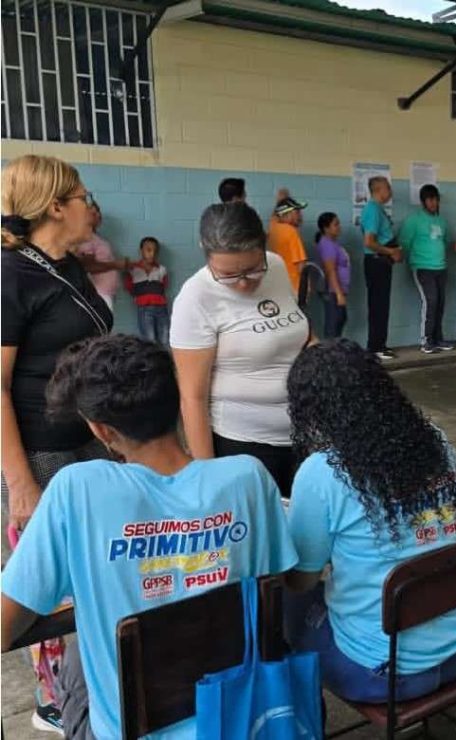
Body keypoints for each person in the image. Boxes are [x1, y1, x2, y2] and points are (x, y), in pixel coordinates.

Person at [1, 334, 297, 740]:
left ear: (102, 430)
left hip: (129, 731)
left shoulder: (78, 489)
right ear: (177, 401)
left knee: (74, 670)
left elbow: (6, 624)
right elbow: (284, 582)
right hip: (245, 717)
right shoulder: (248, 477)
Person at [284, 340, 456, 703]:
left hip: (386, 674)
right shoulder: (436, 441)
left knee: (282, 600)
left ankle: (285, 717)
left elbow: (301, 579)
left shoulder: (321, 474)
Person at [1, 155, 113, 734]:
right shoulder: (10, 274)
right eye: (82, 194)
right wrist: (22, 483)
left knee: (98, 562)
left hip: (88, 436)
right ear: (55, 206)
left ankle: (95, 669)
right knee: (48, 581)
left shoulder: (66, 264)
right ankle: (53, 698)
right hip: (42, 447)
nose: (90, 205)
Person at [170, 202, 308, 496]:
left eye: (253, 270)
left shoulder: (278, 267)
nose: (244, 283)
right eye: (229, 275)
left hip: (306, 433)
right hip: (244, 445)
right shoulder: (195, 298)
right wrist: (207, 476)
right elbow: (192, 397)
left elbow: (299, 332)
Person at [400, 184, 455, 354]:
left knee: (440, 303)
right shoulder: (413, 220)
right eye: (429, 200)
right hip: (422, 268)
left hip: (441, 267)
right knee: (430, 301)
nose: (432, 203)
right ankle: (426, 340)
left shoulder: (442, 221)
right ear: (423, 202)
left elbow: (445, 242)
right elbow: (404, 243)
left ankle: (438, 338)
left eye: (435, 199)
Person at [362, 176, 402, 360]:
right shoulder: (372, 210)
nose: (390, 192)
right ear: (378, 190)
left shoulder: (379, 210)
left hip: (382, 262)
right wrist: (390, 251)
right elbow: (369, 242)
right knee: (378, 305)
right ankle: (375, 346)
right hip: (377, 261)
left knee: (382, 304)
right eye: (388, 188)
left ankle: (380, 344)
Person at [76, 202, 129, 311]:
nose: (99, 215)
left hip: (104, 293)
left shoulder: (95, 237)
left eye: (98, 211)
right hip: (98, 293)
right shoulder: (86, 238)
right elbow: (88, 267)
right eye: (94, 213)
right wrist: (116, 265)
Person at [124, 236, 170, 346]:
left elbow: (164, 285)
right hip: (144, 309)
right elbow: (129, 286)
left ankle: (164, 361)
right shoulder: (133, 269)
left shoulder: (161, 269)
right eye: (148, 250)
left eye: (155, 251)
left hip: (162, 308)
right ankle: (152, 362)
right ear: (141, 251)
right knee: (149, 340)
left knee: (164, 338)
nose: (152, 254)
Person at [314, 212, 350, 339]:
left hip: (337, 290)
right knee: (333, 323)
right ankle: (330, 353)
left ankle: (335, 351)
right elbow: (331, 270)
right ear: (326, 228)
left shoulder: (333, 243)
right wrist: (338, 293)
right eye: (336, 224)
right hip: (332, 291)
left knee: (340, 319)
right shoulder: (327, 245)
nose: (339, 227)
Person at [268, 195, 308, 294]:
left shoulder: (272, 230)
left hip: (275, 286)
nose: (300, 216)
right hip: (293, 287)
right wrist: (306, 286)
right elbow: (300, 266)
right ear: (287, 213)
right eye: (297, 212)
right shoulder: (291, 232)